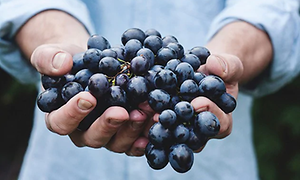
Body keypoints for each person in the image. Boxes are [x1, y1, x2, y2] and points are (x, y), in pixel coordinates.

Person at [1, 0, 300, 179]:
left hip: (213, 162)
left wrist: (226, 56)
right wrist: (60, 44)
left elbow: (272, 7)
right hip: (66, 165)